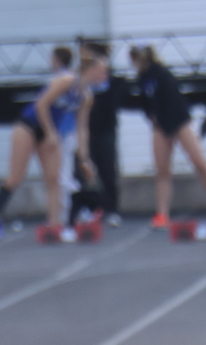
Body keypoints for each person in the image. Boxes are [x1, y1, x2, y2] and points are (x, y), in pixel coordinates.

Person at [0, 47, 82, 238]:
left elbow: (73, 120)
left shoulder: (85, 94)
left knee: (53, 178)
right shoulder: (66, 81)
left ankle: (55, 224)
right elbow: (41, 104)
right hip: (29, 126)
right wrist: (49, 132)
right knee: (16, 176)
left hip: (50, 130)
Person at [129, 44, 206, 231]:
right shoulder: (142, 79)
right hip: (160, 126)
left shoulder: (162, 73)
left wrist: (174, 130)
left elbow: (174, 101)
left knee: (199, 163)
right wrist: (154, 121)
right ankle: (162, 213)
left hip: (179, 121)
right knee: (162, 171)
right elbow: (146, 103)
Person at [77, 41, 122, 225]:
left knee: (108, 171)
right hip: (86, 131)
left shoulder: (110, 81)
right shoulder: (80, 80)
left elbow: (115, 99)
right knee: (84, 171)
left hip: (105, 130)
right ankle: (89, 208)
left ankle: (111, 209)